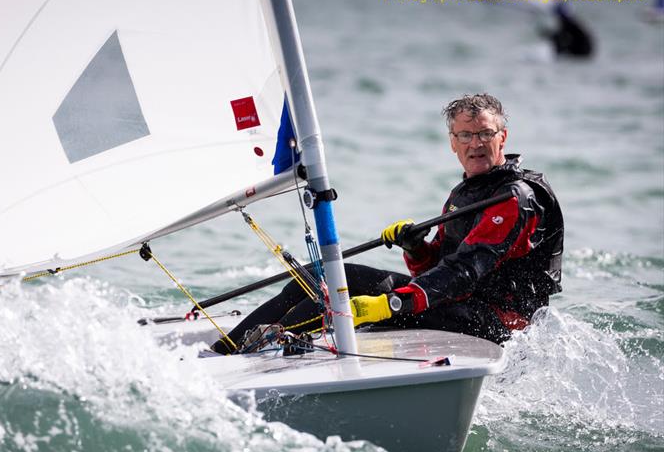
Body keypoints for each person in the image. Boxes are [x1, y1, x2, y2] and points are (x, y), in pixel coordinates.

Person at [211, 93, 563, 354]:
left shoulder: (514, 198)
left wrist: (392, 304)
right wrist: (416, 247)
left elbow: (464, 270)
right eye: (465, 136)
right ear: (452, 143)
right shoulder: (469, 191)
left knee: (332, 296)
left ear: (503, 137)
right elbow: (437, 264)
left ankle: (246, 355)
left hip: (494, 322)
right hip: (456, 304)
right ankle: (223, 351)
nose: (476, 144)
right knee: (320, 276)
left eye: (485, 134)